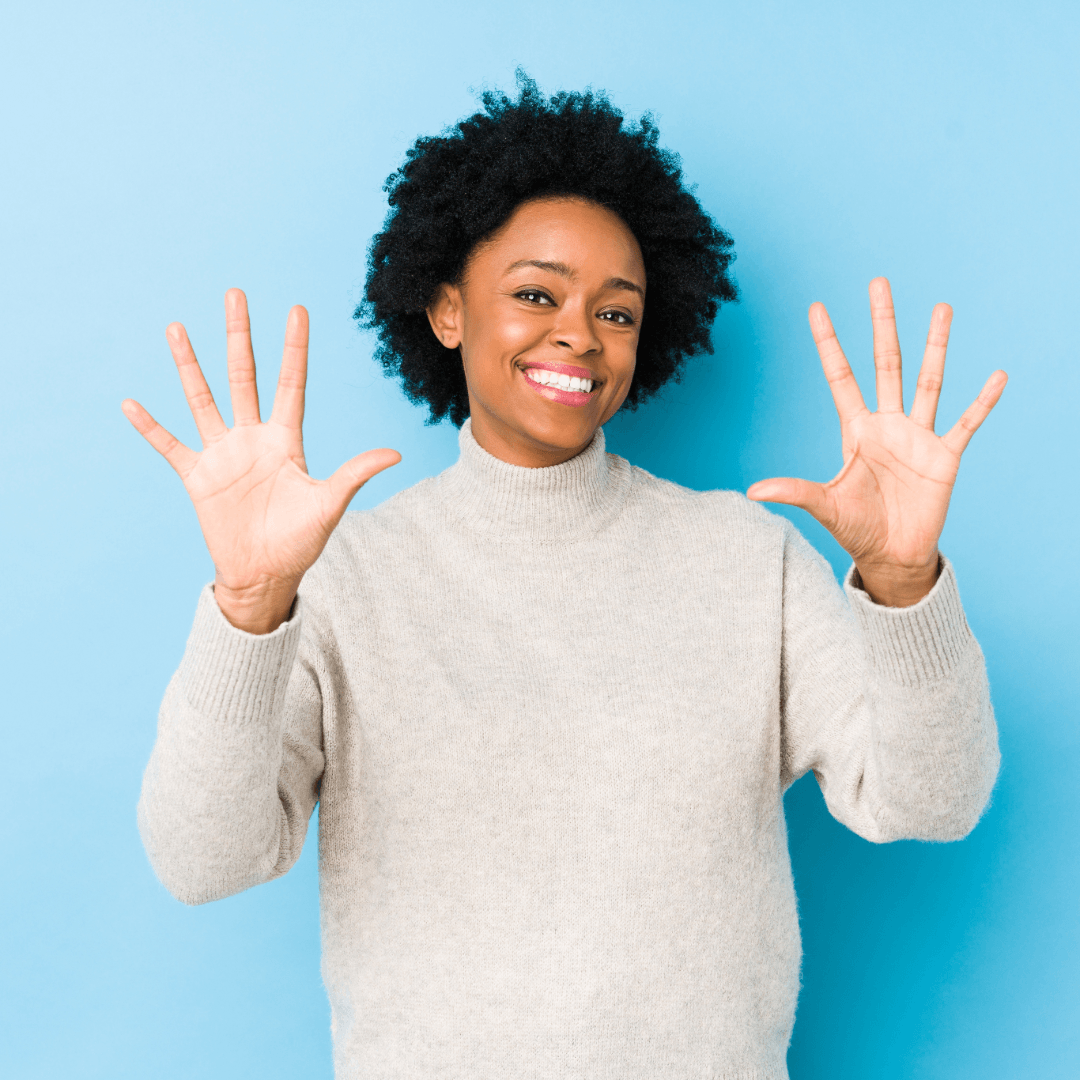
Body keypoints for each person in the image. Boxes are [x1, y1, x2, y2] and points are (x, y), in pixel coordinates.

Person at [123, 75, 1006, 1078]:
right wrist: (247, 611)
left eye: (616, 312)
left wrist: (903, 582)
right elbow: (201, 860)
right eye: (536, 294)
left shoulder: (745, 561)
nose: (579, 335)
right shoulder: (340, 582)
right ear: (448, 309)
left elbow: (934, 802)